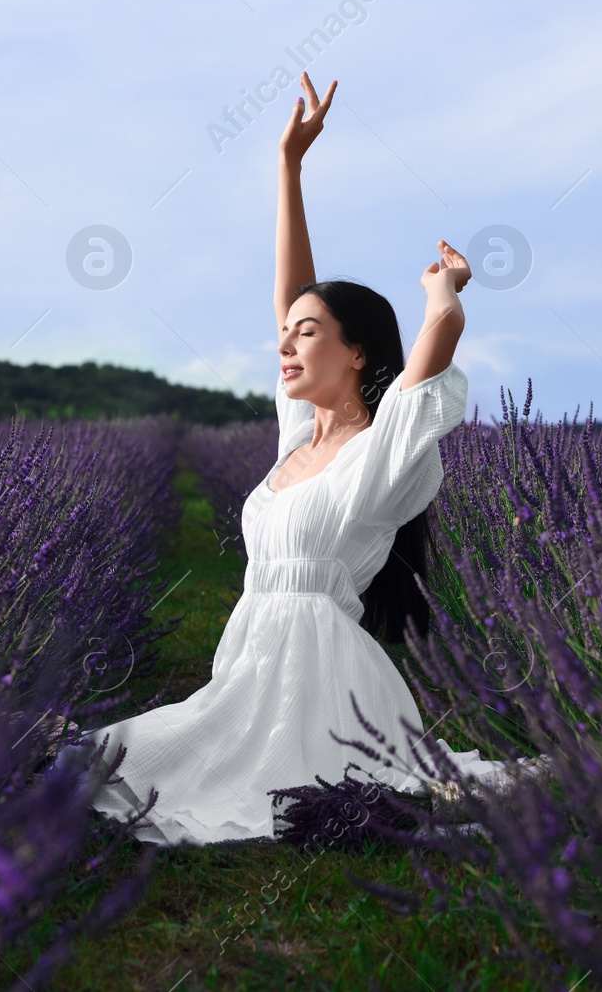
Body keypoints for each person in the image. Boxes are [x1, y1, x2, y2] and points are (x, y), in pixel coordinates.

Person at [54, 71, 512, 846]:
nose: (285, 341)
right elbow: (294, 290)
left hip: (321, 678)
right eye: (288, 331)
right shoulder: (299, 436)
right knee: (122, 759)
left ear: (356, 351)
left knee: (242, 791)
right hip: (251, 658)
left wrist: (445, 291)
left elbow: (427, 366)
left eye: (307, 332)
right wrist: (290, 168)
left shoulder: (381, 451)